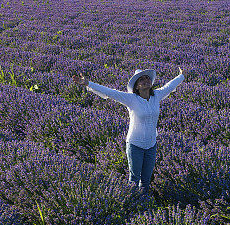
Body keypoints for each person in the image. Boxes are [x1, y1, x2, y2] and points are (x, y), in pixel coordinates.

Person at [73, 67, 184, 195]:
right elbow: (110, 92)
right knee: (134, 179)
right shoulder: (131, 99)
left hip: (151, 144)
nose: (145, 80)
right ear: (136, 86)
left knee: (146, 180)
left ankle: (143, 204)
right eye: (141, 79)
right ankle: (133, 203)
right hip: (135, 144)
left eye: (147, 78)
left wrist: (181, 76)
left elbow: (170, 86)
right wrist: (88, 84)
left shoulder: (157, 95)